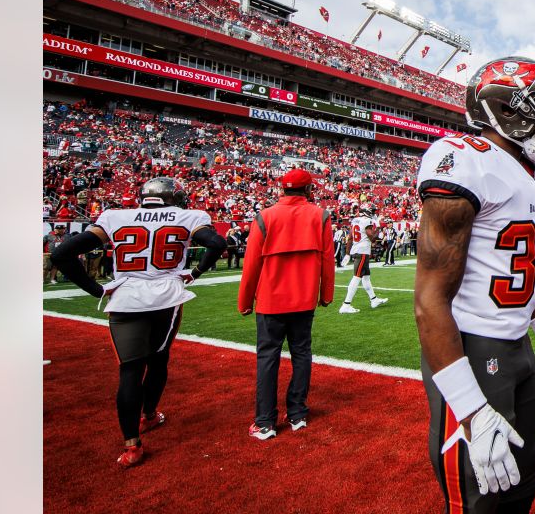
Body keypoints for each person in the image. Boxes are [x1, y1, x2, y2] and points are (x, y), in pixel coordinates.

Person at [414, 56, 535, 513]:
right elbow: (429, 301)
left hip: (516, 344)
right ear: (507, 109)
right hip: (469, 346)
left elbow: (527, 273)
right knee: (478, 494)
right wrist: (469, 407)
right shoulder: (462, 162)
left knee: (522, 484)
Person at [50, 177, 226, 467]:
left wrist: (96, 289)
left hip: (126, 298)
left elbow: (61, 253)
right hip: (165, 297)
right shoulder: (188, 216)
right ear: (173, 197)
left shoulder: (114, 216)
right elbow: (217, 242)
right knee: (158, 360)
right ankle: (149, 415)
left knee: (129, 370)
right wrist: (195, 273)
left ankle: (131, 445)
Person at [237, 169, 336, 440]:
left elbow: (251, 263)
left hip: (270, 301)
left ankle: (265, 421)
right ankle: (297, 413)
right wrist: (326, 295)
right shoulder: (321, 215)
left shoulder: (265, 216)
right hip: (304, 300)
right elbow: (328, 259)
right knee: (302, 354)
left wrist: (244, 300)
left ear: (282, 189)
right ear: (308, 190)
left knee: (267, 357)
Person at [341, 207, 388, 314]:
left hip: (358, 250)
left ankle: (374, 300)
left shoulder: (355, 221)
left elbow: (350, 238)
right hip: (362, 251)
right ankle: (346, 304)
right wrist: (379, 228)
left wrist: (348, 254)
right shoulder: (367, 221)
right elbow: (372, 237)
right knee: (357, 277)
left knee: (366, 277)